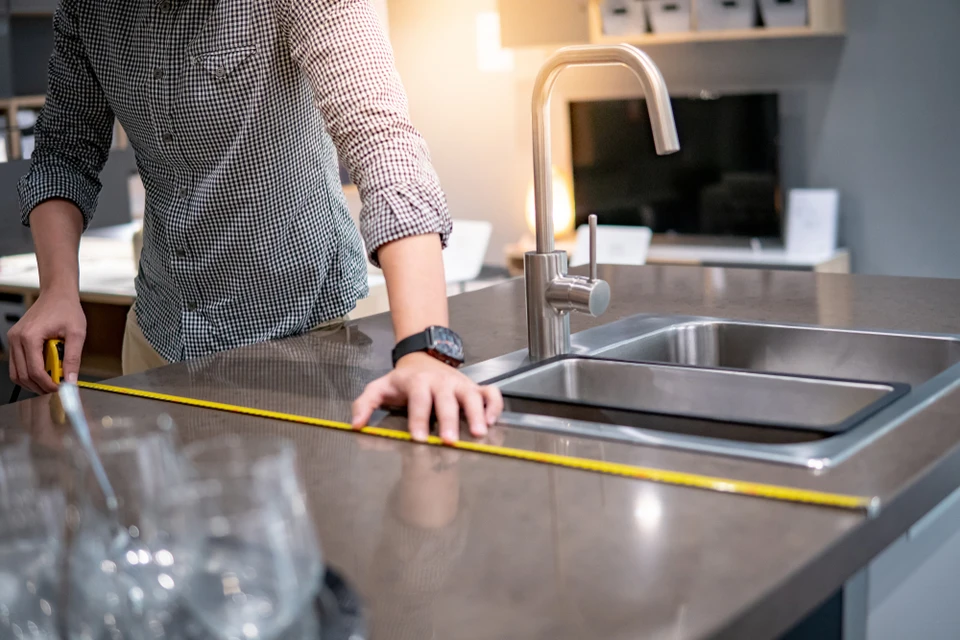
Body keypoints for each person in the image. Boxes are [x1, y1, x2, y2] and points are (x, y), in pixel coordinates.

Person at [7, 0, 502, 442]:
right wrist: (56, 289)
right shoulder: (89, 9)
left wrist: (424, 350)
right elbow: (63, 154)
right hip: (158, 337)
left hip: (302, 341)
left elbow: (381, 142)